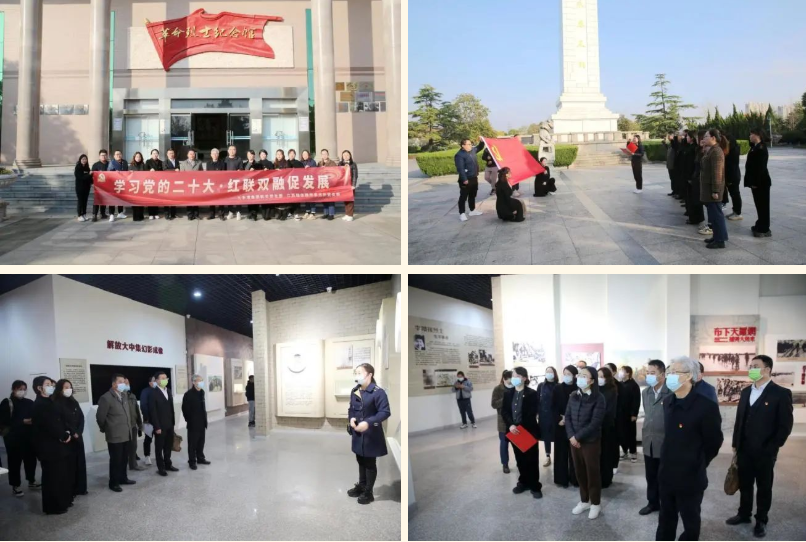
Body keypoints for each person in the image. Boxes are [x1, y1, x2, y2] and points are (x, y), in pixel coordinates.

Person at [656, 356, 723, 541]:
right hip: (667, 472)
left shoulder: (706, 406)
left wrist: (697, 461)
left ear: (689, 376)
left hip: (690, 476)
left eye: (674, 372)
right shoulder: (668, 402)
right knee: (665, 519)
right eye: (668, 372)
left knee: (690, 521)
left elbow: (714, 442)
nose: (669, 376)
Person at [727, 354, 793, 538]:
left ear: (767, 370)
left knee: (764, 487)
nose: (751, 369)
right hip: (744, 449)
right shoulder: (746, 392)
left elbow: (785, 425)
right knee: (745, 483)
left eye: (755, 366)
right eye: (750, 366)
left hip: (765, 451)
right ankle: (744, 513)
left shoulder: (780, 394)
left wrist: (772, 447)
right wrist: (735, 443)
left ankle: (761, 519)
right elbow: (740, 420)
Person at [347, 363, 391, 505]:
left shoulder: (378, 392)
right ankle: (362, 486)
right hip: (358, 433)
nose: (357, 375)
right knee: (360, 459)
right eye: (356, 373)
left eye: (359, 372)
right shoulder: (355, 390)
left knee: (370, 463)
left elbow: (385, 412)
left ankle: (368, 492)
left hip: (371, 434)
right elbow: (351, 409)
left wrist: (368, 422)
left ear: (369, 375)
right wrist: (351, 419)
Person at [565, 366, 605, 519]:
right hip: (574, 441)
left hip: (590, 441)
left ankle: (595, 503)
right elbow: (568, 417)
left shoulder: (598, 398)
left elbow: (595, 422)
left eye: (584, 376)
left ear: (592, 380)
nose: (580, 378)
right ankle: (584, 500)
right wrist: (571, 436)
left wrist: (578, 437)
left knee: (592, 472)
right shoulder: (573, 395)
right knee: (579, 471)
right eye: (579, 375)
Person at [31, 376, 73, 514]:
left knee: (61, 475)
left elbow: (58, 421)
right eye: (47, 384)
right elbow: (50, 425)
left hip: (57, 445)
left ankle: (64, 501)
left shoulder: (49, 401)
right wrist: (64, 435)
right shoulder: (40, 404)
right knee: (52, 478)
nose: (51, 387)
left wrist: (65, 432)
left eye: (51, 384)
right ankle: (54, 506)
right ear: (39, 388)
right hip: (49, 447)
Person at [502, 366, 543, 498]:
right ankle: (523, 482)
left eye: (517, 376)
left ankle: (535, 485)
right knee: (520, 459)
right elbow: (504, 411)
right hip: (514, 432)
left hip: (528, 431)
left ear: (524, 378)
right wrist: (511, 425)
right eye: (513, 376)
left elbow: (532, 413)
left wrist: (519, 426)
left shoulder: (532, 394)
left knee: (531, 459)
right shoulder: (508, 393)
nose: (514, 378)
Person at [640, 359, 672, 516]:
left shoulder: (671, 392)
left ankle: (667, 505)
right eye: (648, 373)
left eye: (653, 373)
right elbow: (648, 413)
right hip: (649, 440)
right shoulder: (645, 392)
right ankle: (652, 503)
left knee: (665, 477)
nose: (649, 376)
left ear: (662, 374)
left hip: (665, 442)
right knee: (650, 475)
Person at [95, 374, 135, 492]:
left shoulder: (124, 396)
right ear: (114, 384)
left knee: (124, 458)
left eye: (124, 382)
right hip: (114, 435)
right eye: (120, 382)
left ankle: (123, 478)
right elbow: (100, 417)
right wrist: (106, 428)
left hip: (126, 434)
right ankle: (114, 483)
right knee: (116, 460)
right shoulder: (106, 398)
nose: (123, 384)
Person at [0, 380, 38, 497]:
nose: (22, 391)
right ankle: (15, 485)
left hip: (28, 436)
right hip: (13, 438)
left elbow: (35, 415)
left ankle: (31, 480)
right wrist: (22, 421)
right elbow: (4, 420)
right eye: (19, 389)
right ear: (14, 389)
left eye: (24, 389)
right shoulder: (7, 403)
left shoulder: (29, 402)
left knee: (31, 460)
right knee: (14, 462)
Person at [53, 379, 87, 498]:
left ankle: (80, 488)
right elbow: (62, 421)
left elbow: (81, 417)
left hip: (78, 437)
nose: (69, 389)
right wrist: (73, 433)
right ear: (60, 389)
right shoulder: (56, 403)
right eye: (66, 387)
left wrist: (79, 432)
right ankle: (71, 490)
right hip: (68, 438)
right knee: (70, 465)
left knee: (80, 463)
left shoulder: (73, 401)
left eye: (70, 387)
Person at [701, 128, 728, 249]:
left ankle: (720, 240)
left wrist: (715, 190)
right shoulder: (711, 150)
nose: (704, 139)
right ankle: (716, 236)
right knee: (712, 215)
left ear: (713, 138)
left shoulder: (716, 151)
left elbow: (717, 173)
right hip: (709, 188)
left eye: (706, 136)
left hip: (713, 190)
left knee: (717, 215)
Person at [553, 365, 579, 488]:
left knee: (575, 453)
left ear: (574, 375)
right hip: (560, 424)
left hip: (575, 424)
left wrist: (571, 419)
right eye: (565, 374)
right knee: (561, 452)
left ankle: (576, 479)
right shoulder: (557, 388)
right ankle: (561, 479)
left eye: (569, 374)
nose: (566, 376)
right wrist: (558, 419)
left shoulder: (579, 388)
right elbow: (553, 406)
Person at [148, 371, 178, 476]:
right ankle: (161, 468)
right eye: (162, 378)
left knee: (168, 446)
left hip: (169, 424)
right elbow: (153, 412)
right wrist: (157, 427)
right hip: (160, 426)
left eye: (166, 378)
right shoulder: (153, 393)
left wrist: (173, 423)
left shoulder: (168, 391)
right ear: (156, 380)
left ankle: (168, 464)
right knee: (159, 447)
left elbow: (170, 408)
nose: (165, 380)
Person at [745, 128, 772, 238]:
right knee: (760, 205)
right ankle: (760, 224)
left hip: (761, 182)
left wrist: (755, 183)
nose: (749, 136)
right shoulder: (755, 147)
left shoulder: (760, 148)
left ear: (757, 135)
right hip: (758, 181)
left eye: (751, 134)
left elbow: (760, 168)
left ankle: (764, 228)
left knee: (763, 206)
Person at [182, 374, 211, 470]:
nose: (201, 382)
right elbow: (185, 409)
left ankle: (200, 458)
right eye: (199, 380)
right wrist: (190, 420)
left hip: (202, 422)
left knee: (201, 442)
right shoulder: (188, 394)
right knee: (192, 444)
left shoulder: (202, 392)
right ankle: (192, 461)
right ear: (193, 382)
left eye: (201, 380)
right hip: (193, 423)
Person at [597, 366, 618, 489]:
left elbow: (609, 410)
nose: (599, 379)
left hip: (607, 426)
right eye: (598, 376)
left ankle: (606, 479)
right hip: (596, 428)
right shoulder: (595, 390)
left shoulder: (611, 390)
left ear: (607, 378)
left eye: (602, 377)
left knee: (606, 453)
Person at [455, 138, 485, 221]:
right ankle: (462, 213)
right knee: (463, 196)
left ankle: (472, 210)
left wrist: (482, 142)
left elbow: (479, 147)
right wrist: (464, 179)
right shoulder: (459, 155)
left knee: (472, 195)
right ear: (463, 145)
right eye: (468, 144)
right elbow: (460, 169)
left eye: (470, 144)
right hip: (466, 179)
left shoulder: (472, 150)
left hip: (474, 177)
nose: (470, 145)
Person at [491, 370, 514, 473]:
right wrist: (505, 398)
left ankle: (520, 462)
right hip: (503, 421)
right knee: (504, 443)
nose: (511, 381)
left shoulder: (516, 387)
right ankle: (505, 464)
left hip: (515, 420)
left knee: (517, 443)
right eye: (509, 379)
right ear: (504, 379)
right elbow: (494, 404)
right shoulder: (498, 389)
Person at [617, 365, 640, 463]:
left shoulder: (634, 385)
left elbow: (636, 400)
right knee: (622, 433)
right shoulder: (620, 384)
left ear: (628, 373)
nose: (620, 372)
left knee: (631, 434)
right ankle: (624, 451)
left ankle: (633, 452)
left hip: (630, 414)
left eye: (622, 371)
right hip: (620, 414)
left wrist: (634, 414)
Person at [537, 366, 558, 467]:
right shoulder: (541, 386)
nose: (549, 373)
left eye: (551, 372)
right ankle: (548, 456)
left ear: (554, 373)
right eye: (547, 372)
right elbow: (537, 400)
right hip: (544, 415)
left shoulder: (558, 386)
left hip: (555, 415)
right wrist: (537, 413)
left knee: (557, 436)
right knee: (546, 437)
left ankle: (558, 457)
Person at [123, 378, 144, 472]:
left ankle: (133, 464)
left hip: (133, 425)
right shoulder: (119, 397)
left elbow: (137, 411)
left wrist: (140, 424)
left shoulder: (133, 396)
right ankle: (122, 466)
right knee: (123, 448)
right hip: (123, 427)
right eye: (125, 383)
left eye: (128, 383)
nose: (127, 385)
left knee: (133, 446)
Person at [105, 149, 128, 222]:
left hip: (122, 183)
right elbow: (108, 173)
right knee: (112, 199)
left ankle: (120, 212)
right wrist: (115, 173)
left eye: (120, 154)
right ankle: (111, 214)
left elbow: (127, 172)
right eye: (117, 154)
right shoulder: (112, 163)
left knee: (121, 198)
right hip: (113, 183)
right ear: (114, 156)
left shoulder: (124, 162)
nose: (118, 155)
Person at [724, 135, 743, 221]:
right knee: (733, 194)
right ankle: (735, 211)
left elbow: (730, 166)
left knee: (735, 194)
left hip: (733, 176)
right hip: (732, 175)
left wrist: (729, 179)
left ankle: (738, 213)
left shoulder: (733, 151)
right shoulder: (732, 149)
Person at [180, 149, 203, 220]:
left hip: (196, 184)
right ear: (187, 155)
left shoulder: (199, 162)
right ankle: (190, 215)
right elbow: (181, 174)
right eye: (190, 154)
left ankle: (196, 214)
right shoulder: (183, 163)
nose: (192, 155)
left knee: (196, 200)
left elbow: (202, 172)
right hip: (188, 184)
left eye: (193, 154)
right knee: (189, 200)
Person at [205, 148, 226, 220]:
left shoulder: (223, 163)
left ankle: (221, 215)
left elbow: (224, 174)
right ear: (211, 155)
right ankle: (212, 214)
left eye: (216, 153)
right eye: (213, 154)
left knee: (221, 200)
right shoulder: (208, 163)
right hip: (211, 184)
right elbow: (207, 174)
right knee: (211, 199)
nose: (215, 155)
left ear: (218, 155)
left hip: (220, 184)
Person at [242, 150, 264, 221]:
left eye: (252, 154)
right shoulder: (244, 164)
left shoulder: (258, 164)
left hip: (256, 184)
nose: (250, 156)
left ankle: (255, 214)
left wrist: (255, 170)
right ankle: (250, 213)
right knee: (249, 199)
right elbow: (242, 173)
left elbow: (261, 173)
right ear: (247, 156)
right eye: (249, 155)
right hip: (248, 184)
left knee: (255, 199)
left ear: (254, 156)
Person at [318, 149, 338, 220]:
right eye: (323, 154)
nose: (324, 155)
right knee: (324, 199)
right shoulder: (319, 163)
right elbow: (316, 172)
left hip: (330, 183)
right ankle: (326, 213)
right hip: (322, 183)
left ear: (328, 154)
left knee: (331, 199)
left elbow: (336, 172)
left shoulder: (332, 163)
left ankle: (331, 214)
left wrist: (326, 169)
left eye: (325, 154)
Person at [139, 376, 156, 465]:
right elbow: (143, 405)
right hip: (149, 420)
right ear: (150, 383)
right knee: (148, 438)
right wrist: (146, 418)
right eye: (154, 380)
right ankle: (147, 456)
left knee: (160, 439)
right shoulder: (145, 391)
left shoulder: (159, 391)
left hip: (159, 420)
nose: (156, 382)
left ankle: (158, 455)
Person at [91, 149, 111, 222]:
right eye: (102, 155)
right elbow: (92, 175)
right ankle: (94, 215)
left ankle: (103, 213)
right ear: (99, 156)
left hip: (107, 185)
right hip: (98, 186)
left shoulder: (109, 164)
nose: (103, 157)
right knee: (97, 200)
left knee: (104, 200)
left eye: (105, 155)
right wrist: (92, 183)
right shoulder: (95, 165)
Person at [339, 150, 359, 222]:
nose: (346, 156)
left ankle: (350, 215)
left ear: (350, 156)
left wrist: (353, 185)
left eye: (347, 155)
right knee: (345, 200)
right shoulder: (340, 163)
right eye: (344, 155)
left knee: (350, 200)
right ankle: (347, 214)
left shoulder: (353, 164)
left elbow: (355, 175)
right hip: (343, 185)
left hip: (350, 184)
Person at [162, 149, 182, 220]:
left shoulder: (177, 161)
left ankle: (173, 214)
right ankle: (167, 214)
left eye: (172, 153)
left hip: (175, 182)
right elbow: (165, 170)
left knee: (174, 198)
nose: (171, 154)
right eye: (170, 153)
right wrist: (174, 170)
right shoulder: (165, 162)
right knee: (166, 199)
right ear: (167, 154)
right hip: (167, 182)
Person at [145, 149, 163, 220]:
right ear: (151, 154)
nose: (155, 154)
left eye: (156, 153)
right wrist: (149, 170)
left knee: (156, 198)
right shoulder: (148, 161)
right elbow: (145, 170)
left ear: (158, 154)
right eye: (153, 153)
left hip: (158, 182)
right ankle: (151, 214)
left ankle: (156, 213)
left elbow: (162, 171)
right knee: (150, 198)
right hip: (150, 182)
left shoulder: (161, 162)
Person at [74, 154, 92, 222]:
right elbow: (81, 177)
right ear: (80, 160)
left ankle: (84, 214)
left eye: (85, 159)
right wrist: (89, 174)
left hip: (86, 188)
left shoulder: (87, 168)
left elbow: (90, 178)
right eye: (83, 159)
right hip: (80, 188)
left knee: (85, 201)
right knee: (80, 201)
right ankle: (79, 215)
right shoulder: (78, 168)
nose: (84, 160)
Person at [128, 152, 147, 221]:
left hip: (141, 186)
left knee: (141, 201)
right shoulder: (131, 166)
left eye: (139, 157)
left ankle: (141, 215)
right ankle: (135, 217)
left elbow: (146, 175)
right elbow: (128, 176)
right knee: (135, 202)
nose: (138, 158)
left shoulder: (143, 165)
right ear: (134, 158)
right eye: (137, 157)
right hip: (134, 186)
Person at [300, 150, 318, 219]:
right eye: (303, 154)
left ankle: (313, 212)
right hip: (304, 182)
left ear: (308, 155)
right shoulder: (301, 162)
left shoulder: (312, 162)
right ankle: (307, 211)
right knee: (306, 197)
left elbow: (315, 171)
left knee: (311, 197)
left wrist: (309, 167)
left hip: (311, 181)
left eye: (306, 154)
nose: (305, 155)